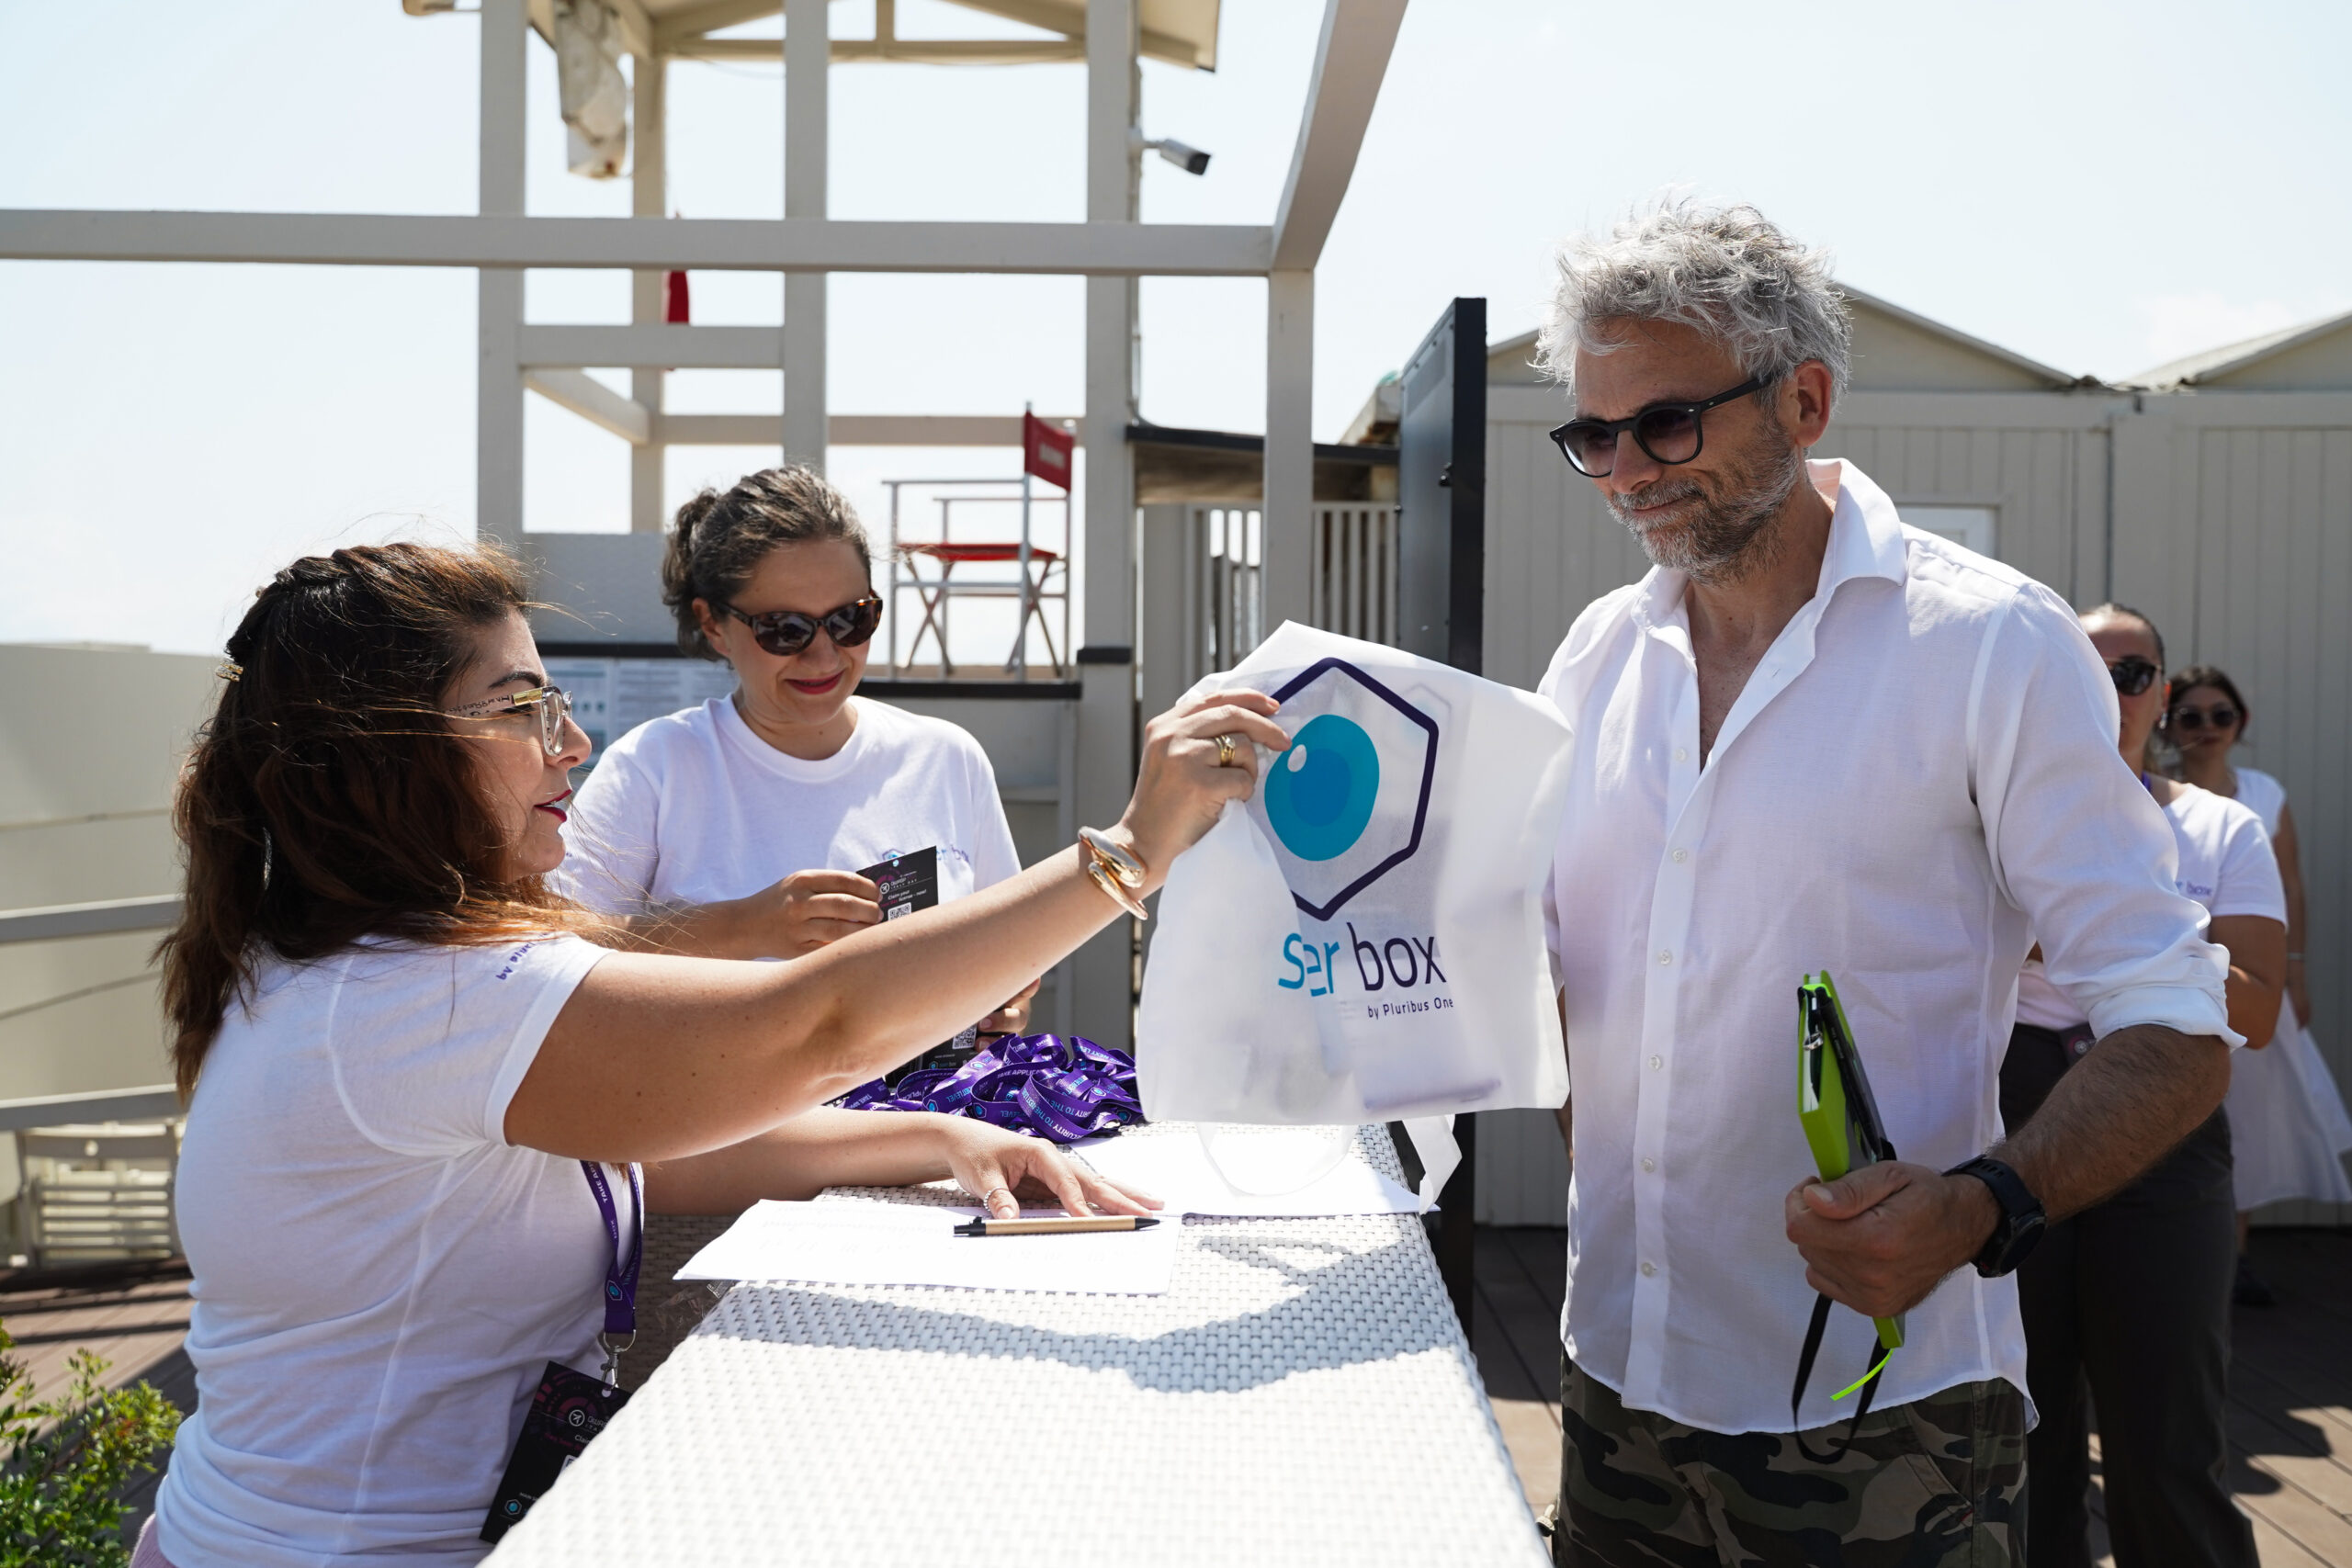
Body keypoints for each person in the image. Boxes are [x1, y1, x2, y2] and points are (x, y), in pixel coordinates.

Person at [142, 542, 1284, 1568]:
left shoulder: (333, 964)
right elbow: (819, 1025)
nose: (571, 743)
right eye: (522, 707)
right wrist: (1132, 851)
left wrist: (935, 1135)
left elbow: (652, 1149)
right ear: (384, 757)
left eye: (557, 703)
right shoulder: (424, 995)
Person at [1532, 199, 2237, 1567]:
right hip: (1616, 1376)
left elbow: (2176, 1018)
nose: (1626, 473)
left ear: (1803, 400)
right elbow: (1559, 972)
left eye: (1665, 425)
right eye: (1594, 437)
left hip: (1881, 1414)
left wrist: (1984, 1203)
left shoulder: (1989, 643)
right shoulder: (1596, 657)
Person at [555, 466, 1035, 1043]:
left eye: (850, 620)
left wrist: (1001, 1010)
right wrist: (742, 928)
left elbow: (1005, 955)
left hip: (927, 1101)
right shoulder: (656, 766)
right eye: (784, 629)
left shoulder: (948, 759)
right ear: (713, 624)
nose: (824, 656)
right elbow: (547, 948)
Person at [2003, 608, 2283, 1568]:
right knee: (2021, 1429)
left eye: (2132, 675)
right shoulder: (1993, 819)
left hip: (2169, 1123)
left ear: (2161, 695)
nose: (2111, 691)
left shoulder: (2220, 826)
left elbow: (2257, 1011)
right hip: (2013, 1115)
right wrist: (2168, 952)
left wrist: (2091, 942)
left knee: (2168, 1437)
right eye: (2086, 670)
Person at [2162, 663, 2352, 1302]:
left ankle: (2233, 1256)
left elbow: (2290, 886)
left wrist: (2293, 972)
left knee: (2244, 1122)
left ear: (2240, 722)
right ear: (2168, 722)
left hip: (2246, 989)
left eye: (2222, 714)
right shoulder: (2150, 796)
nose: (2207, 727)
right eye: (2191, 715)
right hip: (2171, 994)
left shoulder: (2264, 795)